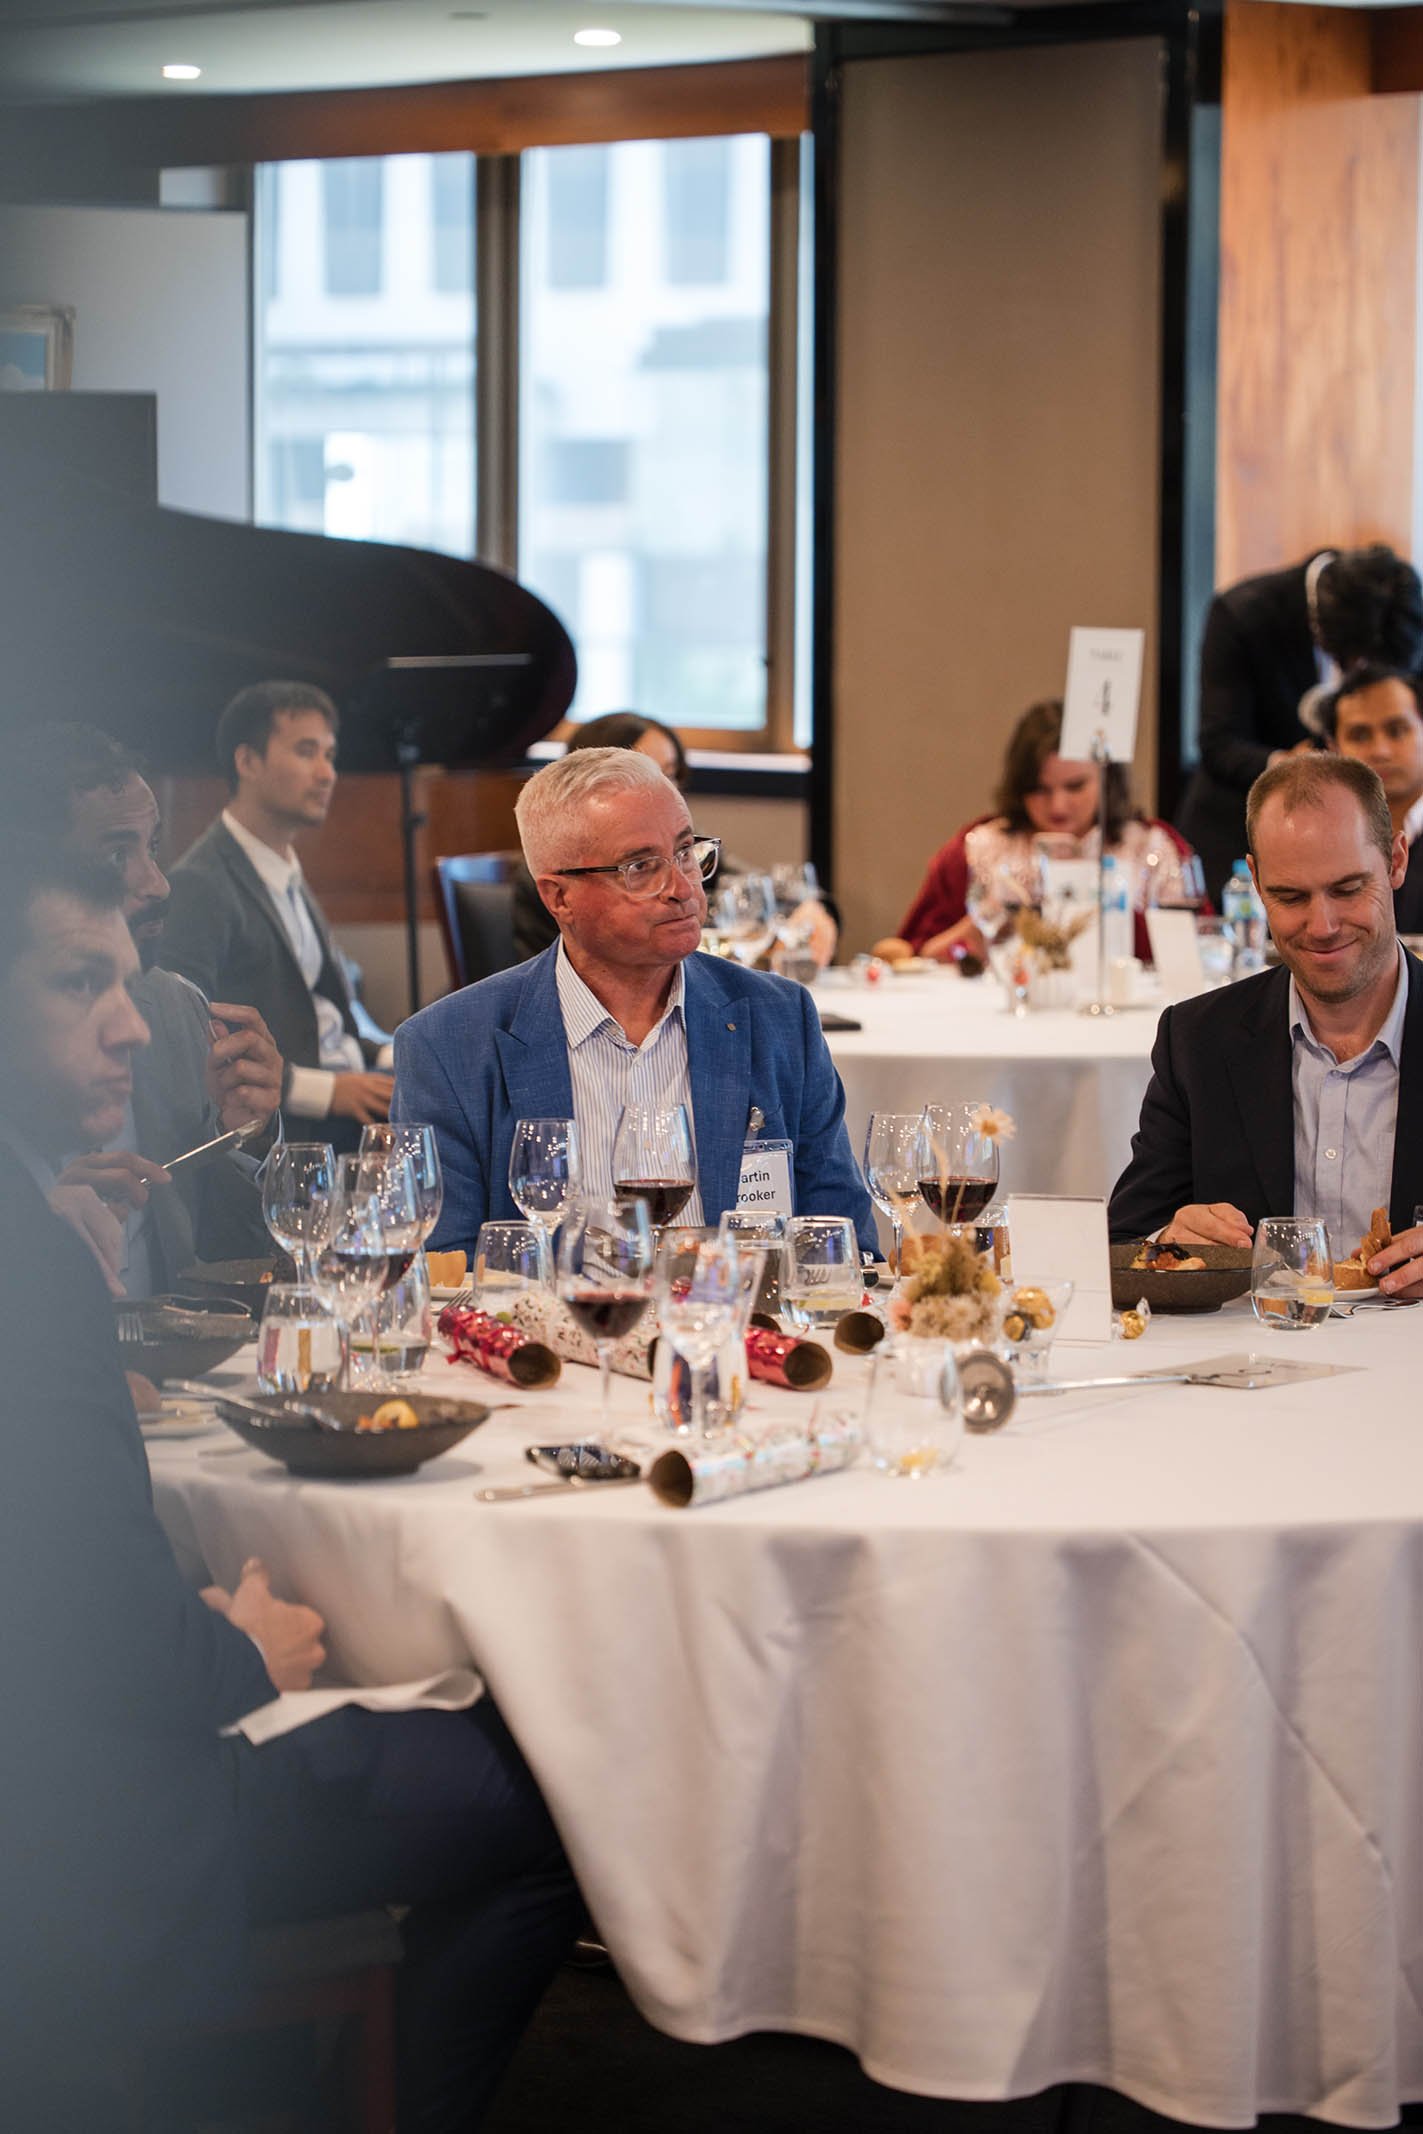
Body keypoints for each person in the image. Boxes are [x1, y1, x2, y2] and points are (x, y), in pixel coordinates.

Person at [0, 835, 582, 2129]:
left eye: (130, 981)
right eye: (75, 982)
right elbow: (98, 1641)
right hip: (87, 1835)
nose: (130, 1028)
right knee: (561, 1788)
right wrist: (240, 1645)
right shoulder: (23, 1256)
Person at [395, 747, 876, 1253]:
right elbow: (445, 1272)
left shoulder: (778, 1018)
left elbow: (841, 1241)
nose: (683, 887)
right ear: (560, 897)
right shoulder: (447, 1048)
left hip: (742, 1327)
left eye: (686, 852)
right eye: (641, 867)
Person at [1109, 755, 1423, 1297]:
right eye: (1290, 897)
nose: (1322, 926)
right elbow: (1124, 1239)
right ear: (1254, 881)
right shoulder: (1198, 1040)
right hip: (1254, 1363)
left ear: (1396, 861)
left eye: (1348, 889)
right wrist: (1168, 1241)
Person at [2, 722, 282, 1296]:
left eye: (152, 846)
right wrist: (30, 1231)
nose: (158, 883)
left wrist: (247, 1135)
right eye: (114, 854)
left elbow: (239, 1263)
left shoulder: (176, 1010)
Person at [158, 680, 395, 1152]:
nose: (327, 773)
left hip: (352, 1082)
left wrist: (396, 1053)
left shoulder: (282, 865)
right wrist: (328, 1092)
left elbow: (332, 1013)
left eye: (329, 754)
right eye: (307, 752)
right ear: (247, 761)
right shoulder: (200, 883)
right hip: (294, 1132)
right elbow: (186, 1040)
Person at [1176, 544, 1423, 902]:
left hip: (1356, 832)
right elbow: (1218, 741)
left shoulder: (1398, 623)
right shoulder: (1244, 615)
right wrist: (1290, 767)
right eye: (1360, 664)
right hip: (1239, 832)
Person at [878, 698, 1199, 966]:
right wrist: (984, 923)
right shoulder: (980, 848)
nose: (1058, 805)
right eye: (1040, 789)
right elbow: (914, 955)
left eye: (1075, 786)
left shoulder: (1153, 847)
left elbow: (1197, 954)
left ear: (1106, 779)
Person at [513, 710, 837, 969]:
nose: (682, 889)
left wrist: (812, 906)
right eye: (639, 866)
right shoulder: (556, 878)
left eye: (668, 774)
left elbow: (759, 889)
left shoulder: (692, 853)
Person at [1312, 664, 1423, 933]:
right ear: (1333, 747)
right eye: (1359, 735)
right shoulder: (1315, 835)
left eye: (1396, 731)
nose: (1380, 751)